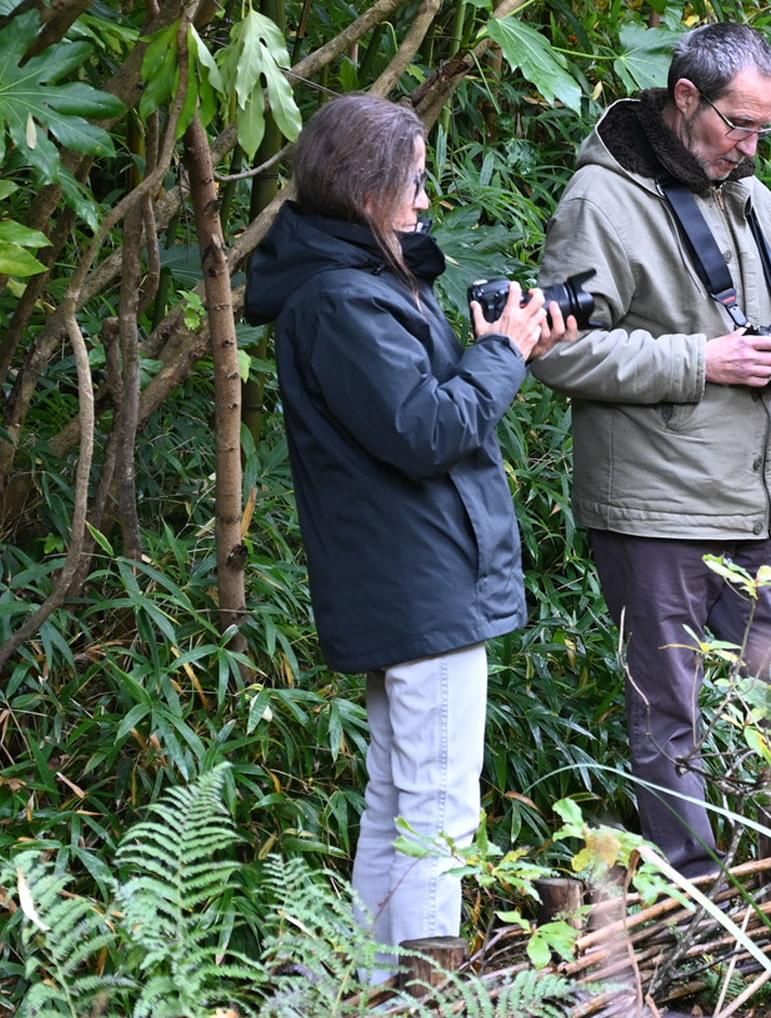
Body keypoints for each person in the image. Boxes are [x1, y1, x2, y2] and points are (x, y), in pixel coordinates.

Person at [243, 93, 572, 959]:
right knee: (437, 811)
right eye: (412, 184)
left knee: (402, 799)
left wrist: (494, 346)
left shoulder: (364, 285)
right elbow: (426, 432)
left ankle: (363, 1016)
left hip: (411, 576)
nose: (425, 201)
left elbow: (420, 411)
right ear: (363, 190)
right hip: (415, 580)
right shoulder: (342, 300)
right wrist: (500, 354)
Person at [529, 23, 771, 878]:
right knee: (669, 712)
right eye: (740, 124)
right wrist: (699, 360)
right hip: (654, 504)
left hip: (759, 496)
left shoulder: (754, 198)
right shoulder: (601, 201)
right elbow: (556, 351)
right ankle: (690, 896)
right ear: (686, 98)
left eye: (767, 128)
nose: (752, 145)